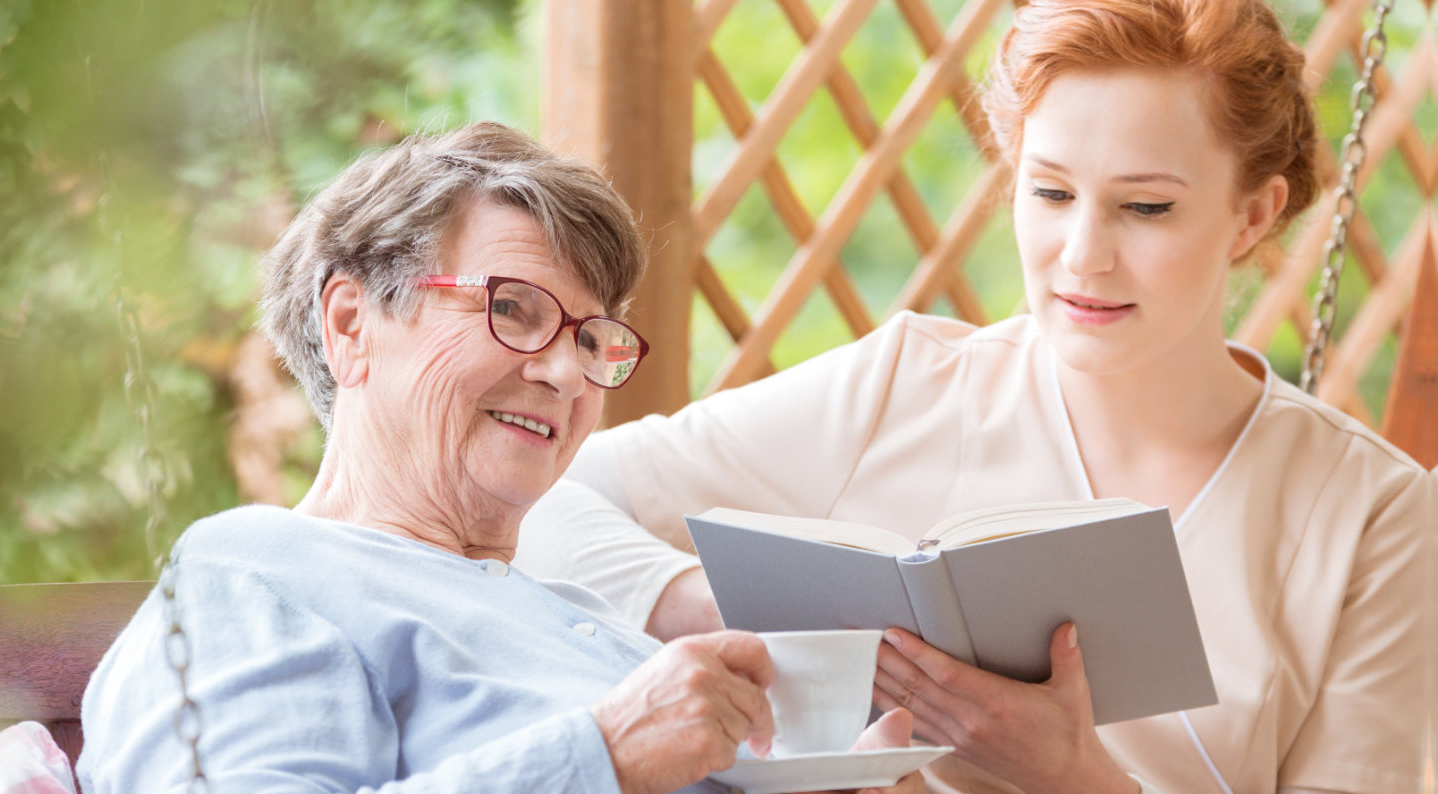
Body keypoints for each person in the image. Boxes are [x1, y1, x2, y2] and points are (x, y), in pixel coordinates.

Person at [512, 2, 1434, 793]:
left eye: (1145, 207)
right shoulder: (907, 385)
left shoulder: (1377, 518)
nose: (1083, 255)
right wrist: (712, 607)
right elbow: (545, 496)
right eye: (1051, 192)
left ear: (1254, 213)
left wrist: (1078, 777)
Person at [76, 122, 925, 794]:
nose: (564, 371)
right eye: (513, 309)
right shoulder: (259, 577)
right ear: (350, 324)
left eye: (592, 338)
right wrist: (608, 754)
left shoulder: (580, 619)